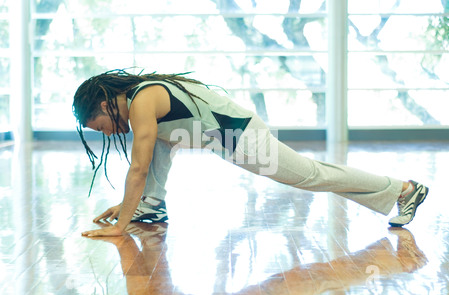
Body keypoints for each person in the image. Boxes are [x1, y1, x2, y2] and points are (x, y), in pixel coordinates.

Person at [72, 69, 429, 237]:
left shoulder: (141, 101)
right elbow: (157, 156)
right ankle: (151, 205)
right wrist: (129, 206)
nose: (108, 132)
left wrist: (121, 225)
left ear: (105, 105)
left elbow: (139, 167)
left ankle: (404, 189)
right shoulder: (142, 100)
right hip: (229, 139)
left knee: (312, 176)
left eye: (101, 126)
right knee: (163, 144)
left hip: (242, 138)